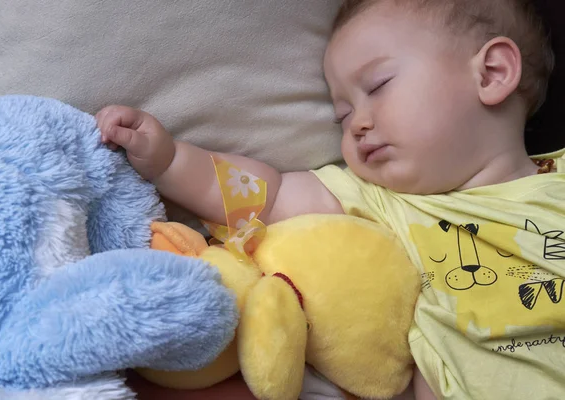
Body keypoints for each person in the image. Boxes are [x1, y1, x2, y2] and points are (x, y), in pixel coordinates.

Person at [97, 0, 565, 398]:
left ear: (492, 73)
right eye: (342, 115)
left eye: (379, 86)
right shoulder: (383, 200)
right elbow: (265, 197)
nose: (357, 123)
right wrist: (170, 160)